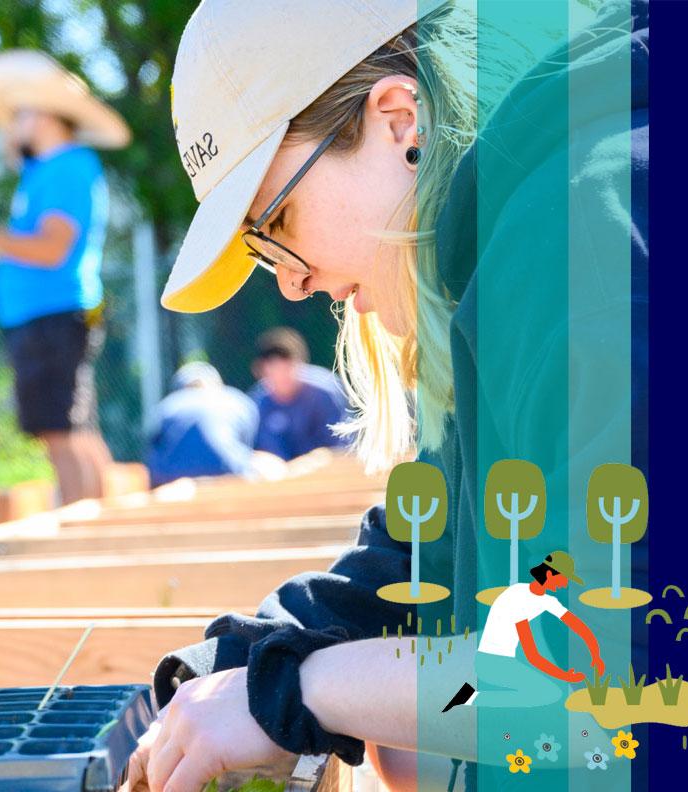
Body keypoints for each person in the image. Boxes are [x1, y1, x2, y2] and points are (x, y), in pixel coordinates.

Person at [124, 0, 650, 789]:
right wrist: (235, 664)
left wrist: (301, 690)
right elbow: (421, 557)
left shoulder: (577, 243)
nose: (294, 282)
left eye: (274, 223)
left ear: (401, 122)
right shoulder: (496, 259)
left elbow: (617, 680)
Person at [0, 50, 130, 505]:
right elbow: (16, 152)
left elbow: (51, 248)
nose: (13, 122)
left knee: (61, 430)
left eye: (22, 112)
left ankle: (80, 527)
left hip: (54, 313)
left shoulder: (68, 167)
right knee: (70, 426)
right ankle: (92, 523)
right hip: (44, 315)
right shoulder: (45, 169)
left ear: (47, 116)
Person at [441, 552, 605, 712]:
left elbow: (577, 625)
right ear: (549, 574)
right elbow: (532, 655)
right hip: (492, 663)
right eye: (563, 578)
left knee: (549, 693)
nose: (564, 584)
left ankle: (471, 698)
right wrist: (565, 676)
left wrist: (595, 654)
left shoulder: (547, 600)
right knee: (549, 694)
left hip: (508, 660)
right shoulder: (518, 597)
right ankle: (471, 698)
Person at [145, 362, 258, 487]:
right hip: (230, 475)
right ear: (218, 384)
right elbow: (248, 445)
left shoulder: (166, 406)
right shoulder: (238, 400)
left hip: (173, 481)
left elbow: (153, 448)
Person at [248, 327, 351, 462]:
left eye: (287, 368)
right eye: (274, 370)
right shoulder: (256, 404)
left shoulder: (325, 394)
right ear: (260, 371)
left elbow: (341, 447)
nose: (281, 376)